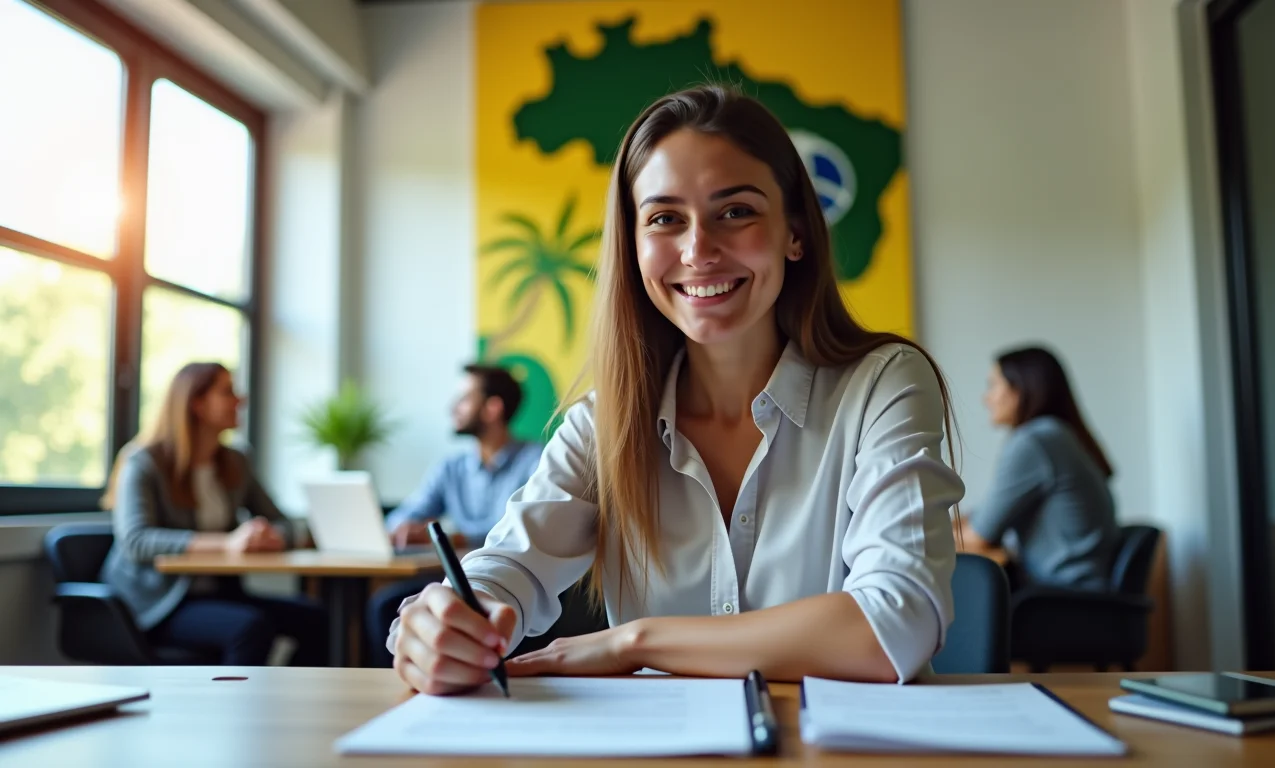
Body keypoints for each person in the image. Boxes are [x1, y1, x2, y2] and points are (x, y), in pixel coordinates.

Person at [386, 84, 966, 695]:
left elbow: (893, 626)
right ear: (634, 246)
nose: (698, 251)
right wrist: (436, 623)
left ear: (795, 231)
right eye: (665, 219)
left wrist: (635, 642)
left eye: (736, 211)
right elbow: (505, 569)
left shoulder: (883, 384)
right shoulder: (604, 422)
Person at [99, 362, 329, 666]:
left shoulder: (236, 461)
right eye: (228, 392)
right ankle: (240, 713)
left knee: (316, 619)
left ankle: (293, 703)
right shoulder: (143, 462)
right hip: (157, 603)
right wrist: (228, 543)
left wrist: (270, 536)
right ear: (197, 403)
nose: (241, 400)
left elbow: (281, 521)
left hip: (220, 593)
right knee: (249, 627)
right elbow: (137, 540)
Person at [364, 364, 543, 667]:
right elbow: (404, 515)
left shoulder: (535, 460)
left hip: (514, 581)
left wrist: (454, 535)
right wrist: (403, 526)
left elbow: (517, 527)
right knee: (385, 606)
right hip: (458, 573)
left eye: (463, 399)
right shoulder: (452, 467)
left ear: (492, 408)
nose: (453, 407)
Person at [960, 346, 1119, 591]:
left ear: (1020, 389)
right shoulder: (1058, 435)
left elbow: (979, 536)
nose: (986, 398)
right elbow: (983, 518)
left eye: (993, 385)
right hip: (1081, 596)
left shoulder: (1034, 441)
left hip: (1059, 601)